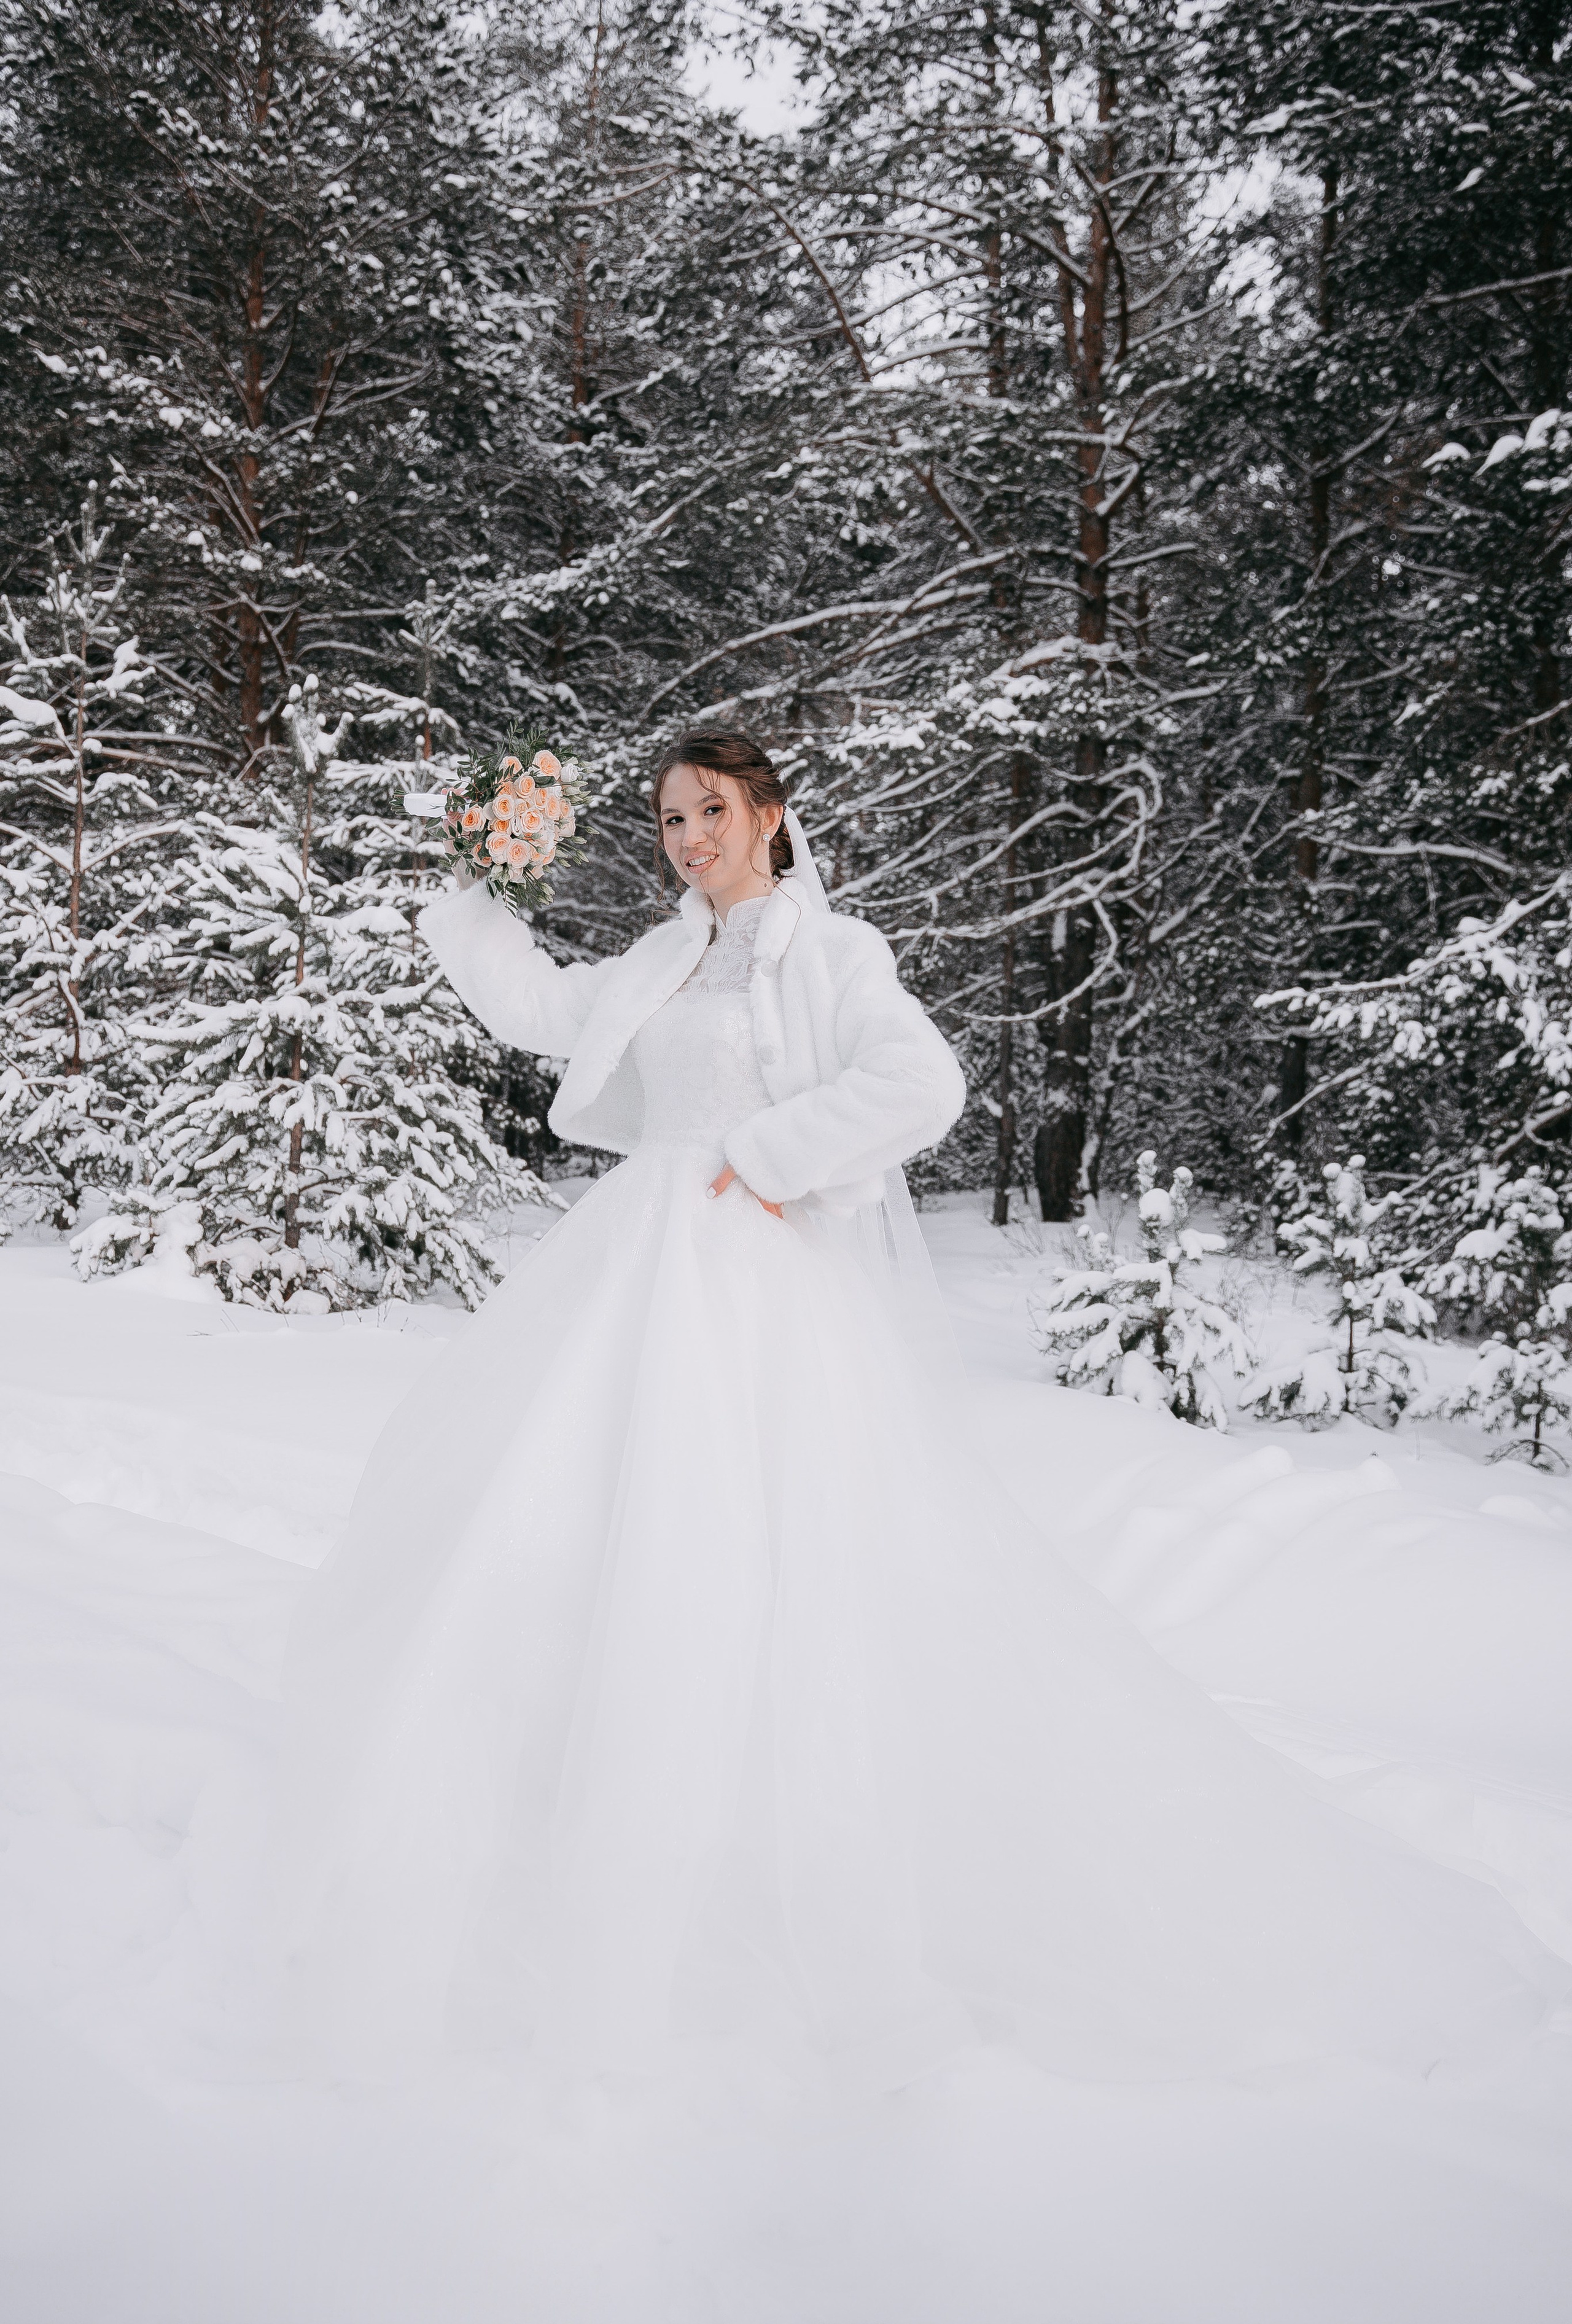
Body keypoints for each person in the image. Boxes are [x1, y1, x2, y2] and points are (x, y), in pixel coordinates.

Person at [273, 728, 1560, 2091]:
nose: (686, 836)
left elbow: (919, 1085)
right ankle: (566, 1808)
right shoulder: (660, 959)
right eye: (665, 819)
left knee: (752, 1554)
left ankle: (764, 1852)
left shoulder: (832, 955)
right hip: (631, 1266)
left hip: (750, 1283)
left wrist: (769, 1158)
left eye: (709, 810)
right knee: (573, 1531)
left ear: (768, 812)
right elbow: (539, 1008)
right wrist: (468, 892)